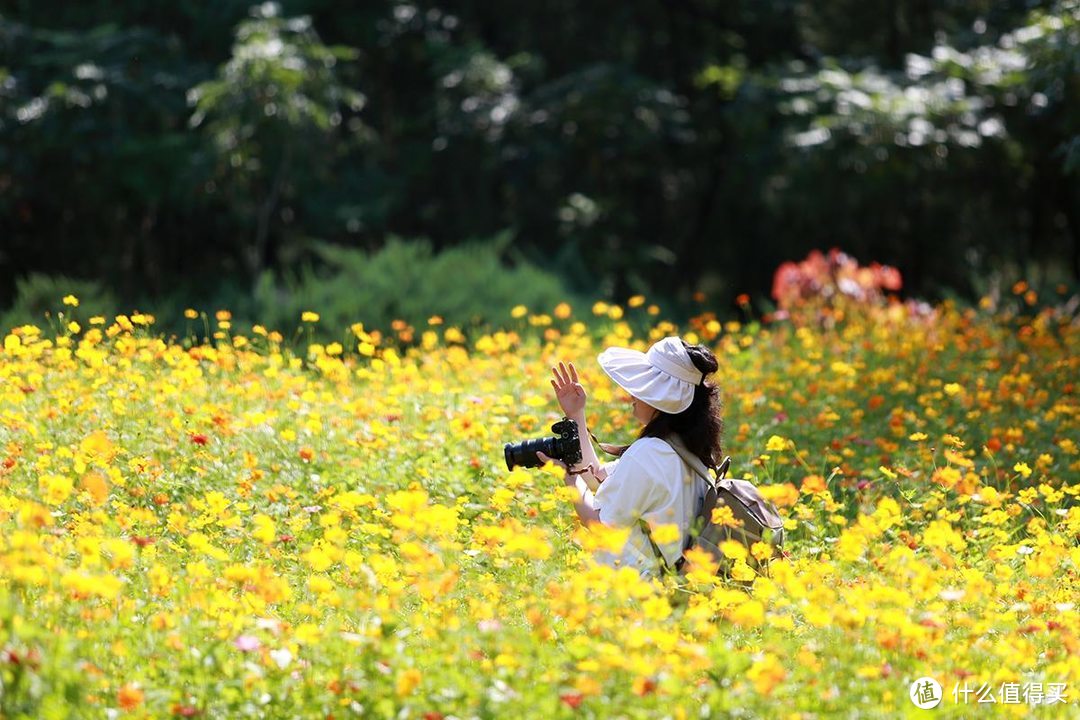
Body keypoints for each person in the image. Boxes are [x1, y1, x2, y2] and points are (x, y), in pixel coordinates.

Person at [537, 336, 724, 578]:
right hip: (672, 595)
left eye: (643, 387)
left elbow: (600, 527)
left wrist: (569, 479)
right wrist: (576, 414)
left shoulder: (648, 453)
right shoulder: (687, 450)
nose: (631, 395)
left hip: (635, 596)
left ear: (662, 398)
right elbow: (595, 478)